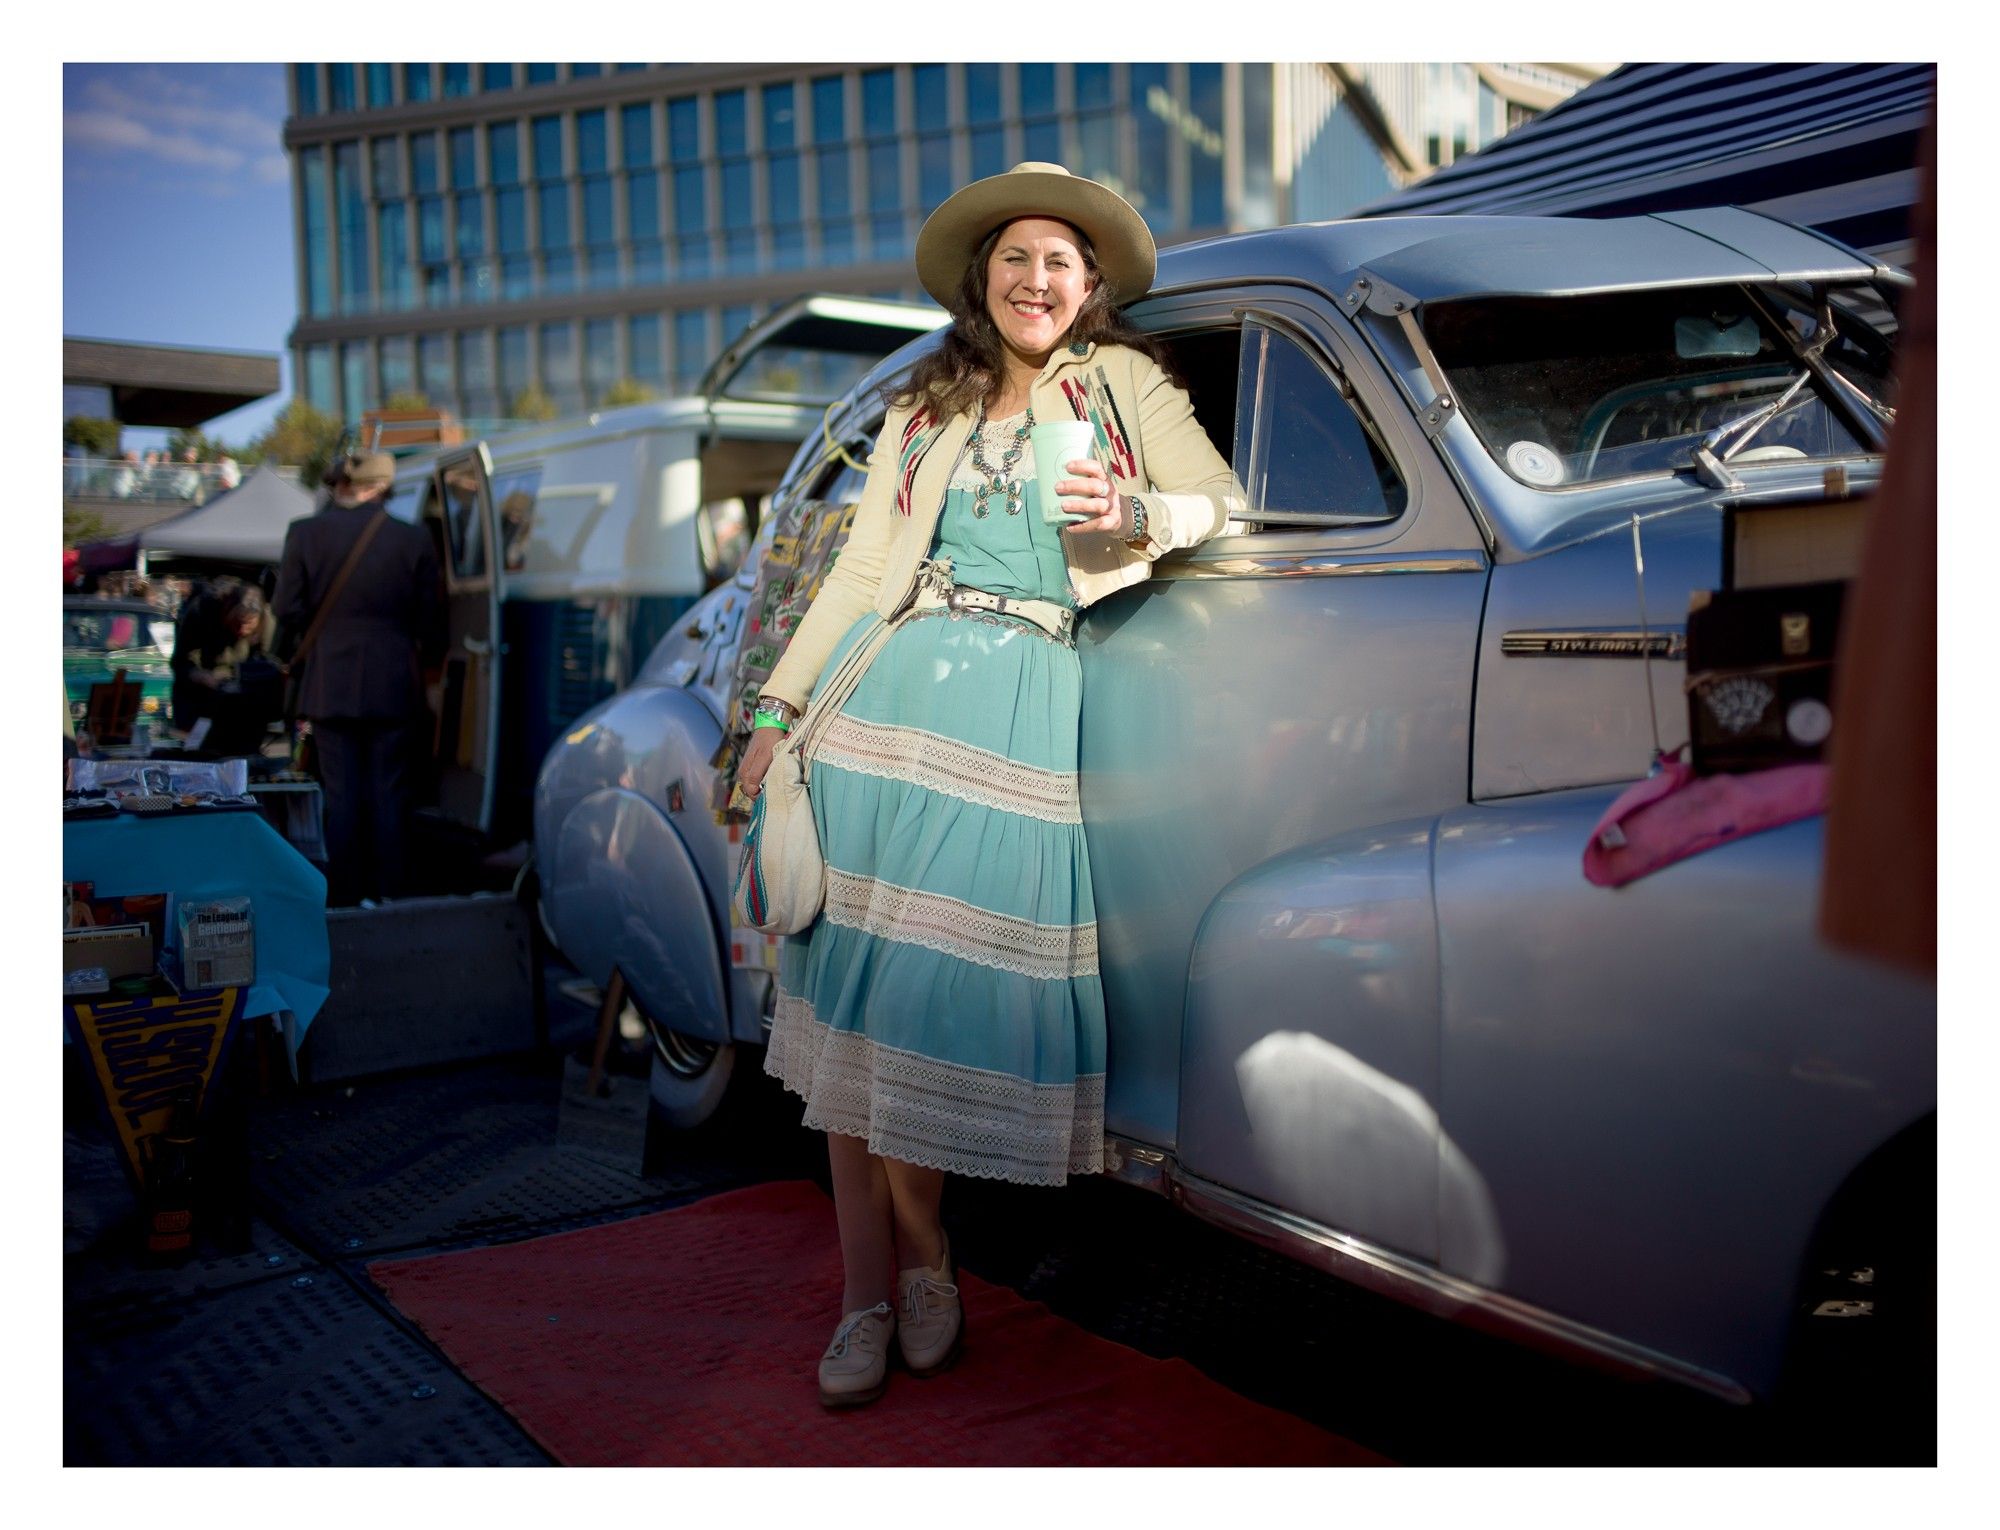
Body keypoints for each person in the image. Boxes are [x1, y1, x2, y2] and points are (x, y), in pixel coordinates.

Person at [737, 162, 1240, 1407]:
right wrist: (773, 712)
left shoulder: (1124, 387)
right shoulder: (926, 402)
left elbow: (1218, 504)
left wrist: (1139, 507)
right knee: (849, 1011)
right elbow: (860, 577)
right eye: (1015, 258)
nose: (1035, 278)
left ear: (1090, 286)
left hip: (1016, 715)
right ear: (983, 280)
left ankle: (930, 1257)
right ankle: (876, 1288)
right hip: (882, 710)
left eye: (1059, 261)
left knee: (914, 1011)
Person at [274, 451, 444, 906]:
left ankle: (346, 899)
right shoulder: (414, 540)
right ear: (385, 487)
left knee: (342, 795)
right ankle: (392, 896)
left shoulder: (306, 533)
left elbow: (285, 610)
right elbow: (431, 623)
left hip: (329, 682)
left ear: (343, 485)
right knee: (390, 792)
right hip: (393, 683)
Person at [170, 579, 282, 756]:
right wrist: (201, 676)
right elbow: (181, 662)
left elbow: (268, 663)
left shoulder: (267, 620)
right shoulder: (202, 611)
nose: (242, 630)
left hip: (245, 702)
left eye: (248, 624)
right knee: (201, 752)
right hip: (202, 697)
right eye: (238, 623)